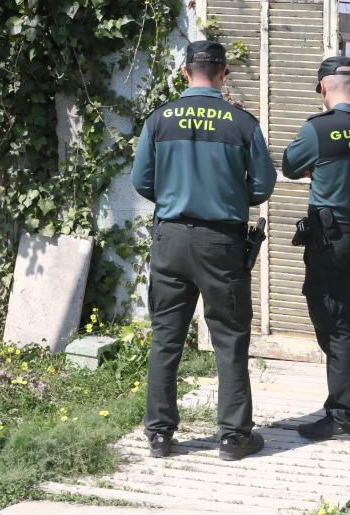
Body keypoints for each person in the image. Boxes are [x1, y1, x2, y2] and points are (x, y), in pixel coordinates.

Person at [131, 40, 276, 460]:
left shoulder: (158, 121)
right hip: (221, 242)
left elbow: (142, 181)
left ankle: (159, 435)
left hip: (170, 239)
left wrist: (176, 195)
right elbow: (263, 185)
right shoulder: (242, 124)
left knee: (166, 338)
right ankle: (233, 438)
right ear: (224, 73)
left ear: (184, 72)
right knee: (229, 338)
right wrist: (228, 195)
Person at [282, 56, 350, 440]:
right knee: (348, 322)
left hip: (331, 245)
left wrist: (320, 166)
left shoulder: (318, 130)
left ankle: (344, 415)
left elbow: (290, 167)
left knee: (336, 326)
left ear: (323, 88)